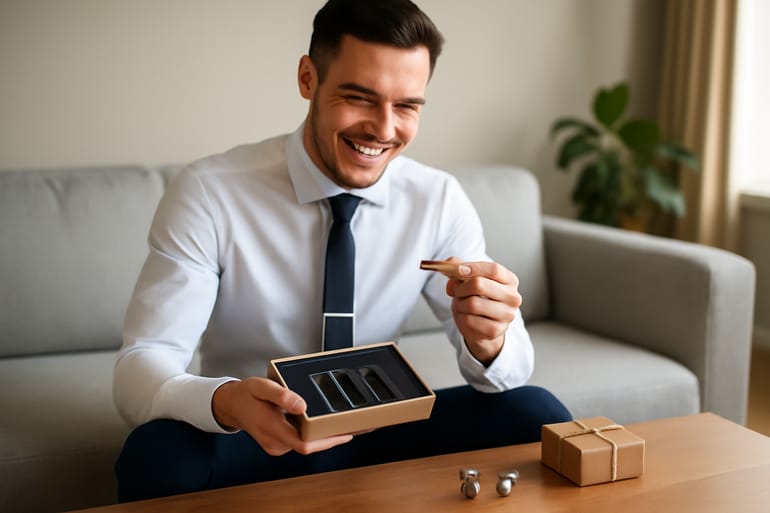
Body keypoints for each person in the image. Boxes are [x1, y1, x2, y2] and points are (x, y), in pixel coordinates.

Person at [114, 0, 571, 502]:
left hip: (383, 426)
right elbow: (141, 366)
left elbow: (508, 373)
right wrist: (226, 400)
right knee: (154, 455)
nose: (383, 128)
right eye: (360, 97)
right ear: (308, 78)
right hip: (259, 433)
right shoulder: (210, 193)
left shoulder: (437, 199)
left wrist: (490, 343)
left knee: (536, 412)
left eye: (407, 106)